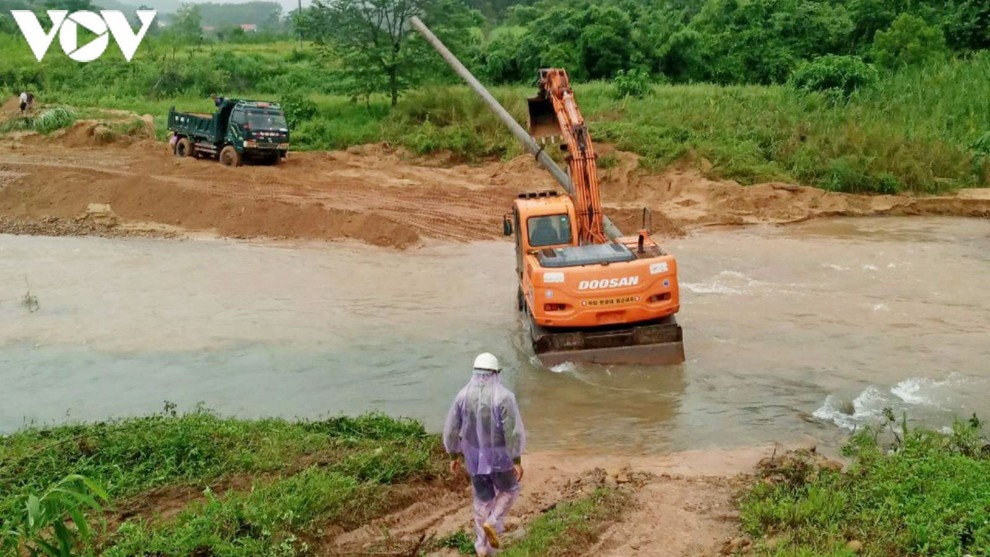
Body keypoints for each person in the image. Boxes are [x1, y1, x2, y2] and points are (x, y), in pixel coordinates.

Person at [443, 353, 525, 557]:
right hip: (500, 457)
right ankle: (494, 521)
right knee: (510, 489)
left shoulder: (462, 395)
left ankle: (481, 546)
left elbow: (452, 428)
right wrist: (516, 459)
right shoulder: (504, 397)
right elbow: (512, 432)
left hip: (473, 457)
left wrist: (453, 454)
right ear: (496, 373)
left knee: (482, 499)